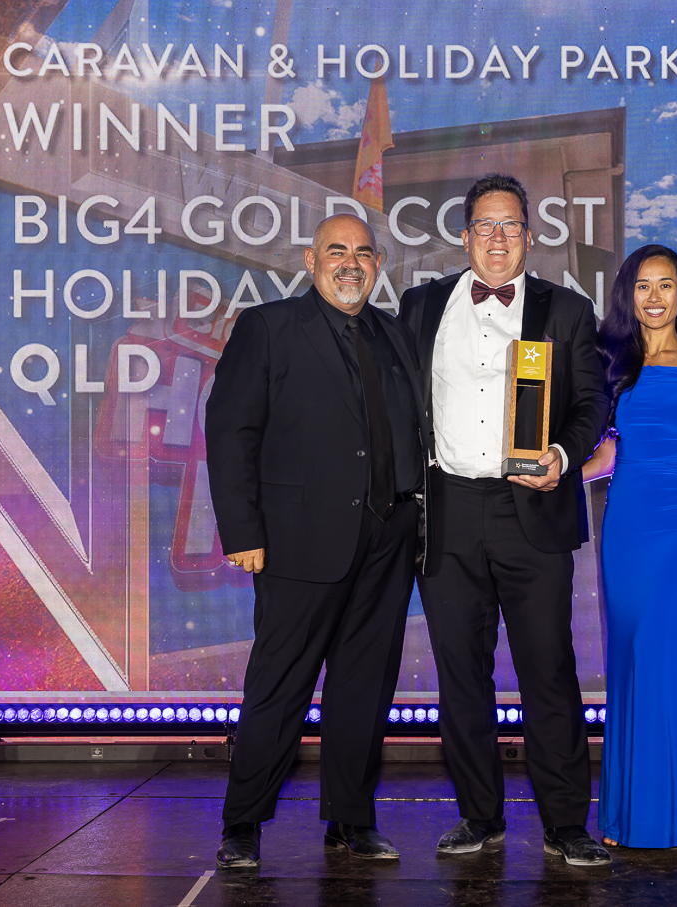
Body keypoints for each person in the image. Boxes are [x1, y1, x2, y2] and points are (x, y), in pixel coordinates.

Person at [398, 174, 611, 866]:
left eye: (510, 225)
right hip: (448, 511)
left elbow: (592, 405)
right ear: (465, 237)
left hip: (534, 509)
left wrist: (563, 454)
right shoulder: (421, 305)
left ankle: (565, 824)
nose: (497, 238)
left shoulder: (567, 310)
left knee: (548, 670)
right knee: (461, 674)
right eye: (485, 226)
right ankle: (479, 816)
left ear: (529, 235)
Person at [204, 214, 424, 870]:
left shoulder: (393, 332)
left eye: (363, 252)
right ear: (310, 259)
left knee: (365, 688)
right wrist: (242, 530)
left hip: (386, 540)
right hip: (297, 542)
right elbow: (230, 429)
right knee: (279, 686)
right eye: (337, 250)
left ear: (378, 264)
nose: (351, 262)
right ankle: (243, 823)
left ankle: (351, 819)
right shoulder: (268, 327)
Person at [582, 243, 677, 849]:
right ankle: (631, 814)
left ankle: (674, 814)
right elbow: (609, 452)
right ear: (629, 294)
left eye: (665, 285)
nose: (654, 297)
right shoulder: (611, 363)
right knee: (631, 657)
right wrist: (557, 473)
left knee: (669, 655)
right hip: (626, 525)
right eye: (642, 285)